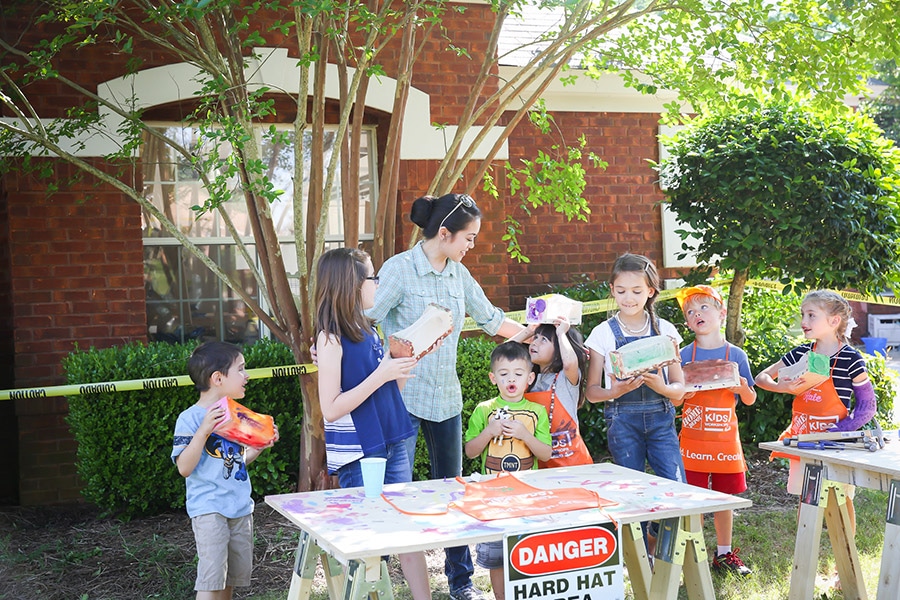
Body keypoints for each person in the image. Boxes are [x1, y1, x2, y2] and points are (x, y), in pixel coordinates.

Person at [368, 192, 525, 600]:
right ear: (445, 233)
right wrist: (329, 346)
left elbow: (492, 319)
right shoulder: (399, 270)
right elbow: (365, 320)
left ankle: (460, 583)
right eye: (468, 238)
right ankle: (376, 581)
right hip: (402, 398)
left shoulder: (459, 275)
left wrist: (539, 329)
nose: (472, 246)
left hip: (447, 402)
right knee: (395, 492)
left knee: (453, 490)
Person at [314, 247, 432, 600]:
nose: (377, 284)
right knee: (370, 541)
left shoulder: (370, 329)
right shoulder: (329, 338)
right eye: (372, 277)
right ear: (352, 284)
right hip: (361, 452)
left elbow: (388, 389)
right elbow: (330, 408)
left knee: (407, 532)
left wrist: (405, 364)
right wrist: (382, 374)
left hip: (393, 439)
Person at [755, 290, 876, 535]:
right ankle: (805, 560)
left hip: (835, 446)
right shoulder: (800, 353)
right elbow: (761, 377)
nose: (804, 321)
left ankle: (845, 566)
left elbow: (867, 406)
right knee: (807, 498)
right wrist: (781, 386)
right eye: (803, 315)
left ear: (834, 321)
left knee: (840, 501)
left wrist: (840, 430)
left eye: (811, 315)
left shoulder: (851, 359)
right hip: (803, 441)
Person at [172, 341, 279, 600]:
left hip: (240, 507)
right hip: (210, 509)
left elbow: (235, 463)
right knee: (211, 581)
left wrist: (261, 445)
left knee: (228, 581)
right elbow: (184, 468)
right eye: (241, 369)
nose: (247, 375)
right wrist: (203, 431)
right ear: (218, 378)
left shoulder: (235, 416)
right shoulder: (191, 418)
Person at [676, 285, 757, 576]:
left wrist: (743, 388)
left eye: (704, 308)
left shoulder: (735, 354)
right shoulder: (684, 354)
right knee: (693, 501)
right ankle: (695, 555)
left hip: (725, 441)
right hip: (693, 442)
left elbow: (750, 399)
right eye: (690, 312)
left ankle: (724, 554)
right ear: (686, 322)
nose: (697, 314)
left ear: (722, 313)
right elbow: (673, 398)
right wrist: (681, 395)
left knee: (725, 501)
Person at [464, 342, 552, 600]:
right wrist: (489, 431)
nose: (511, 379)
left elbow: (545, 454)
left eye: (518, 373)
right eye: (503, 374)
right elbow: (470, 451)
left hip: (527, 498)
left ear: (530, 378)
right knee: (496, 556)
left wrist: (525, 435)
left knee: (527, 548)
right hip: (492, 498)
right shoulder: (484, 409)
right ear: (493, 378)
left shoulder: (537, 411)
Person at [509, 317, 592, 468]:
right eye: (535, 338)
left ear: (559, 350)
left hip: (573, 465)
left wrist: (561, 333)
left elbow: (569, 363)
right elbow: (503, 357)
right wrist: (528, 330)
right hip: (538, 466)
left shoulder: (565, 379)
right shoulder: (527, 380)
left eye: (544, 340)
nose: (534, 343)